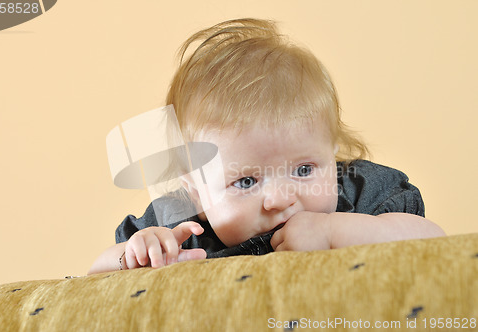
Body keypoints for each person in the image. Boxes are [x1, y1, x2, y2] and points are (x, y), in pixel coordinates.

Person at [88, 18, 445, 275]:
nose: (280, 199)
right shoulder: (182, 229)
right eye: (246, 181)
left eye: (305, 170)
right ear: (195, 191)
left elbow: (433, 240)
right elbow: (94, 276)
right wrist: (134, 255)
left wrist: (336, 231)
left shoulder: (357, 193)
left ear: (331, 153)